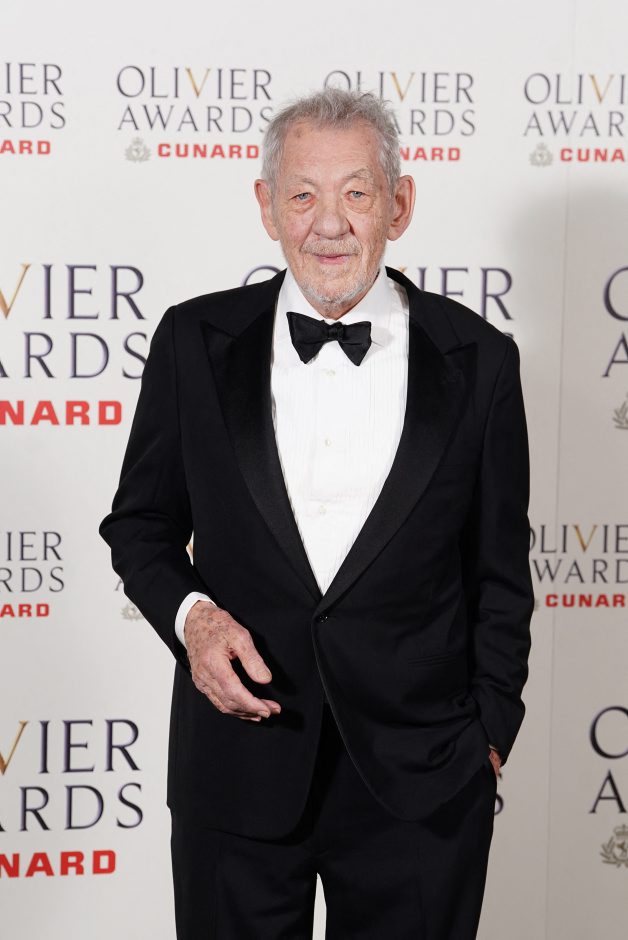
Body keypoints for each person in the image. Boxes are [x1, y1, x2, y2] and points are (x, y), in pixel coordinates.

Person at [100, 87, 533, 939]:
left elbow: (500, 574)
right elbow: (140, 526)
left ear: (398, 205)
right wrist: (193, 620)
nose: (328, 224)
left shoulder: (480, 360)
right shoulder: (193, 342)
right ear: (267, 207)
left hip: (424, 784)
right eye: (303, 195)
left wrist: (488, 738)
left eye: (356, 192)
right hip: (238, 769)